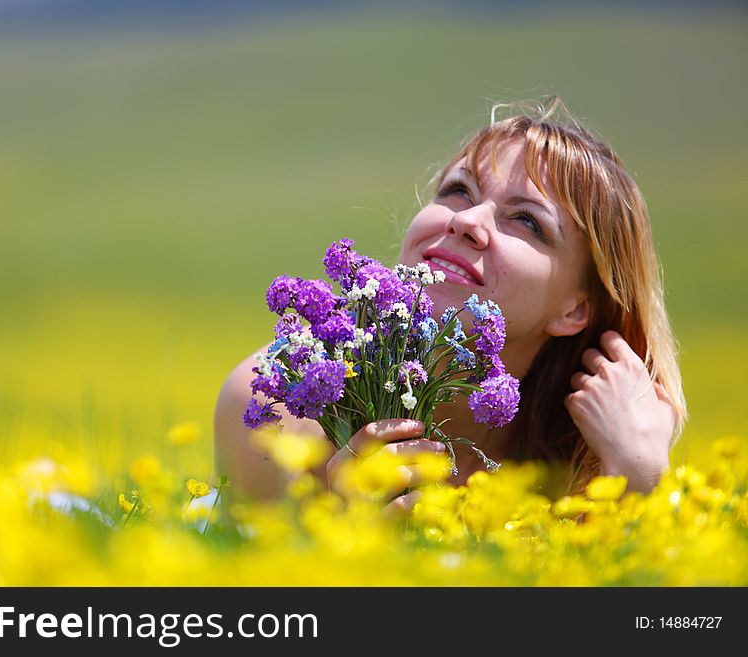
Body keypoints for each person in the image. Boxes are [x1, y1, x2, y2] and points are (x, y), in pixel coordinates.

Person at [213, 97, 687, 513]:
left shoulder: (597, 474)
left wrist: (637, 477)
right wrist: (341, 540)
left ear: (574, 311)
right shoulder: (276, 415)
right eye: (458, 190)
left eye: (526, 221)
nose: (469, 220)